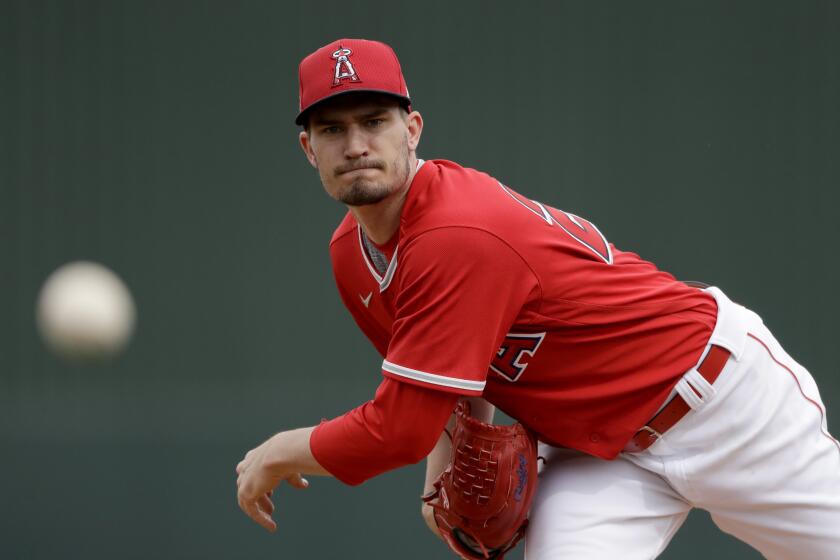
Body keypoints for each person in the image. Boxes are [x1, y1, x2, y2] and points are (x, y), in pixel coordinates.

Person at [235, 38, 840, 559]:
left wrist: (281, 451)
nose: (356, 144)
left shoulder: (454, 232)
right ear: (308, 149)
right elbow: (447, 390)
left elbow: (398, 431)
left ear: (412, 129)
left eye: (374, 121)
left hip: (720, 404)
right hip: (594, 453)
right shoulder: (352, 254)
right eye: (332, 129)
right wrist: (442, 479)